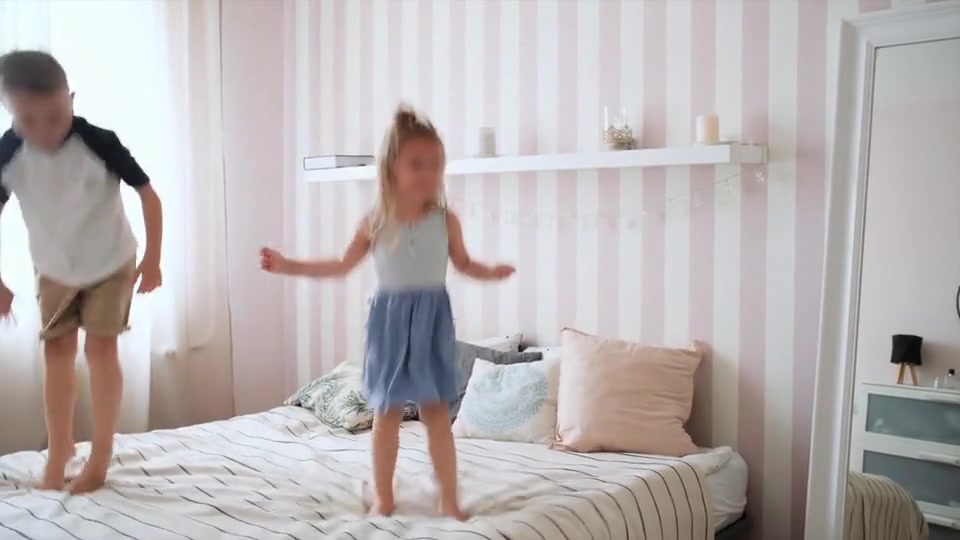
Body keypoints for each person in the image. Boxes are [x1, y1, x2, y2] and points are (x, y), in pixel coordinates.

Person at [260, 105, 514, 520]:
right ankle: (384, 497)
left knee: (436, 414)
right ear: (392, 167)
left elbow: (465, 264)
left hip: (431, 322)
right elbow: (340, 266)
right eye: (417, 164)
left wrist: (491, 272)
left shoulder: (446, 220)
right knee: (387, 412)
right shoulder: (375, 222)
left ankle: (449, 498)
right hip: (390, 325)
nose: (428, 173)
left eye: (435, 165)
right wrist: (289, 266)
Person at [0, 50, 163, 493]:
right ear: (10, 112)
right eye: (28, 120)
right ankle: (60, 451)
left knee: (101, 351)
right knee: (56, 356)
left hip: (111, 262)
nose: (44, 131)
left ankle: (101, 457)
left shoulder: (97, 141)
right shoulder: (8, 151)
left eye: (55, 117)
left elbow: (148, 193)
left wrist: (153, 258)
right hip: (55, 268)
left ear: (70, 99)